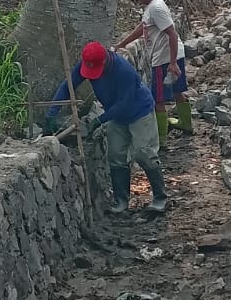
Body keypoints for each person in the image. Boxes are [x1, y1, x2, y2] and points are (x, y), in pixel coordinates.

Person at [46, 41, 168, 214]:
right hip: (116, 115)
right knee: (116, 155)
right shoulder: (86, 63)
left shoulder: (124, 71)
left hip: (139, 112)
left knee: (143, 153)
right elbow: (68, 86)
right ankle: (121, 201)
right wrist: (52, 113)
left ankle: (160, 198)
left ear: (104, 62)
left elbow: (124, 104)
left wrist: (98, 120)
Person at [116, 0, 193, 148]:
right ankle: (186, 124)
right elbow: (143, 28)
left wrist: (172, 63)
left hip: (164, 59)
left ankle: (161, 140)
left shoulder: (156, 8)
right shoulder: (153, 6)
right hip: (172, 54)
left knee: (158, 99)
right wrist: (122, 43)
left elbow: (172, 33)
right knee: (177, 91)